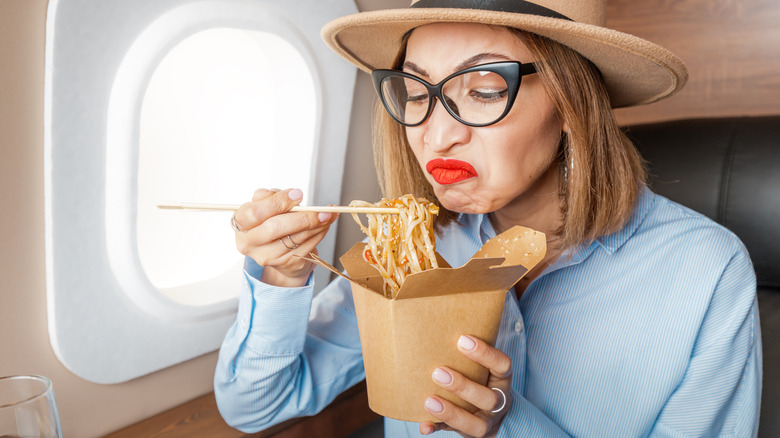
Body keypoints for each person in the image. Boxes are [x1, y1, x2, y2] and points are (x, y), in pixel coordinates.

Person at [215, 0, 762, 436]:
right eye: (414, 91)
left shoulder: (705, 270)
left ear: (572, 105)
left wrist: (507, 426)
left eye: (482, 90)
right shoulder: (407, 251)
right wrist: (282, 279)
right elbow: (259, 404)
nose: (435, 134)